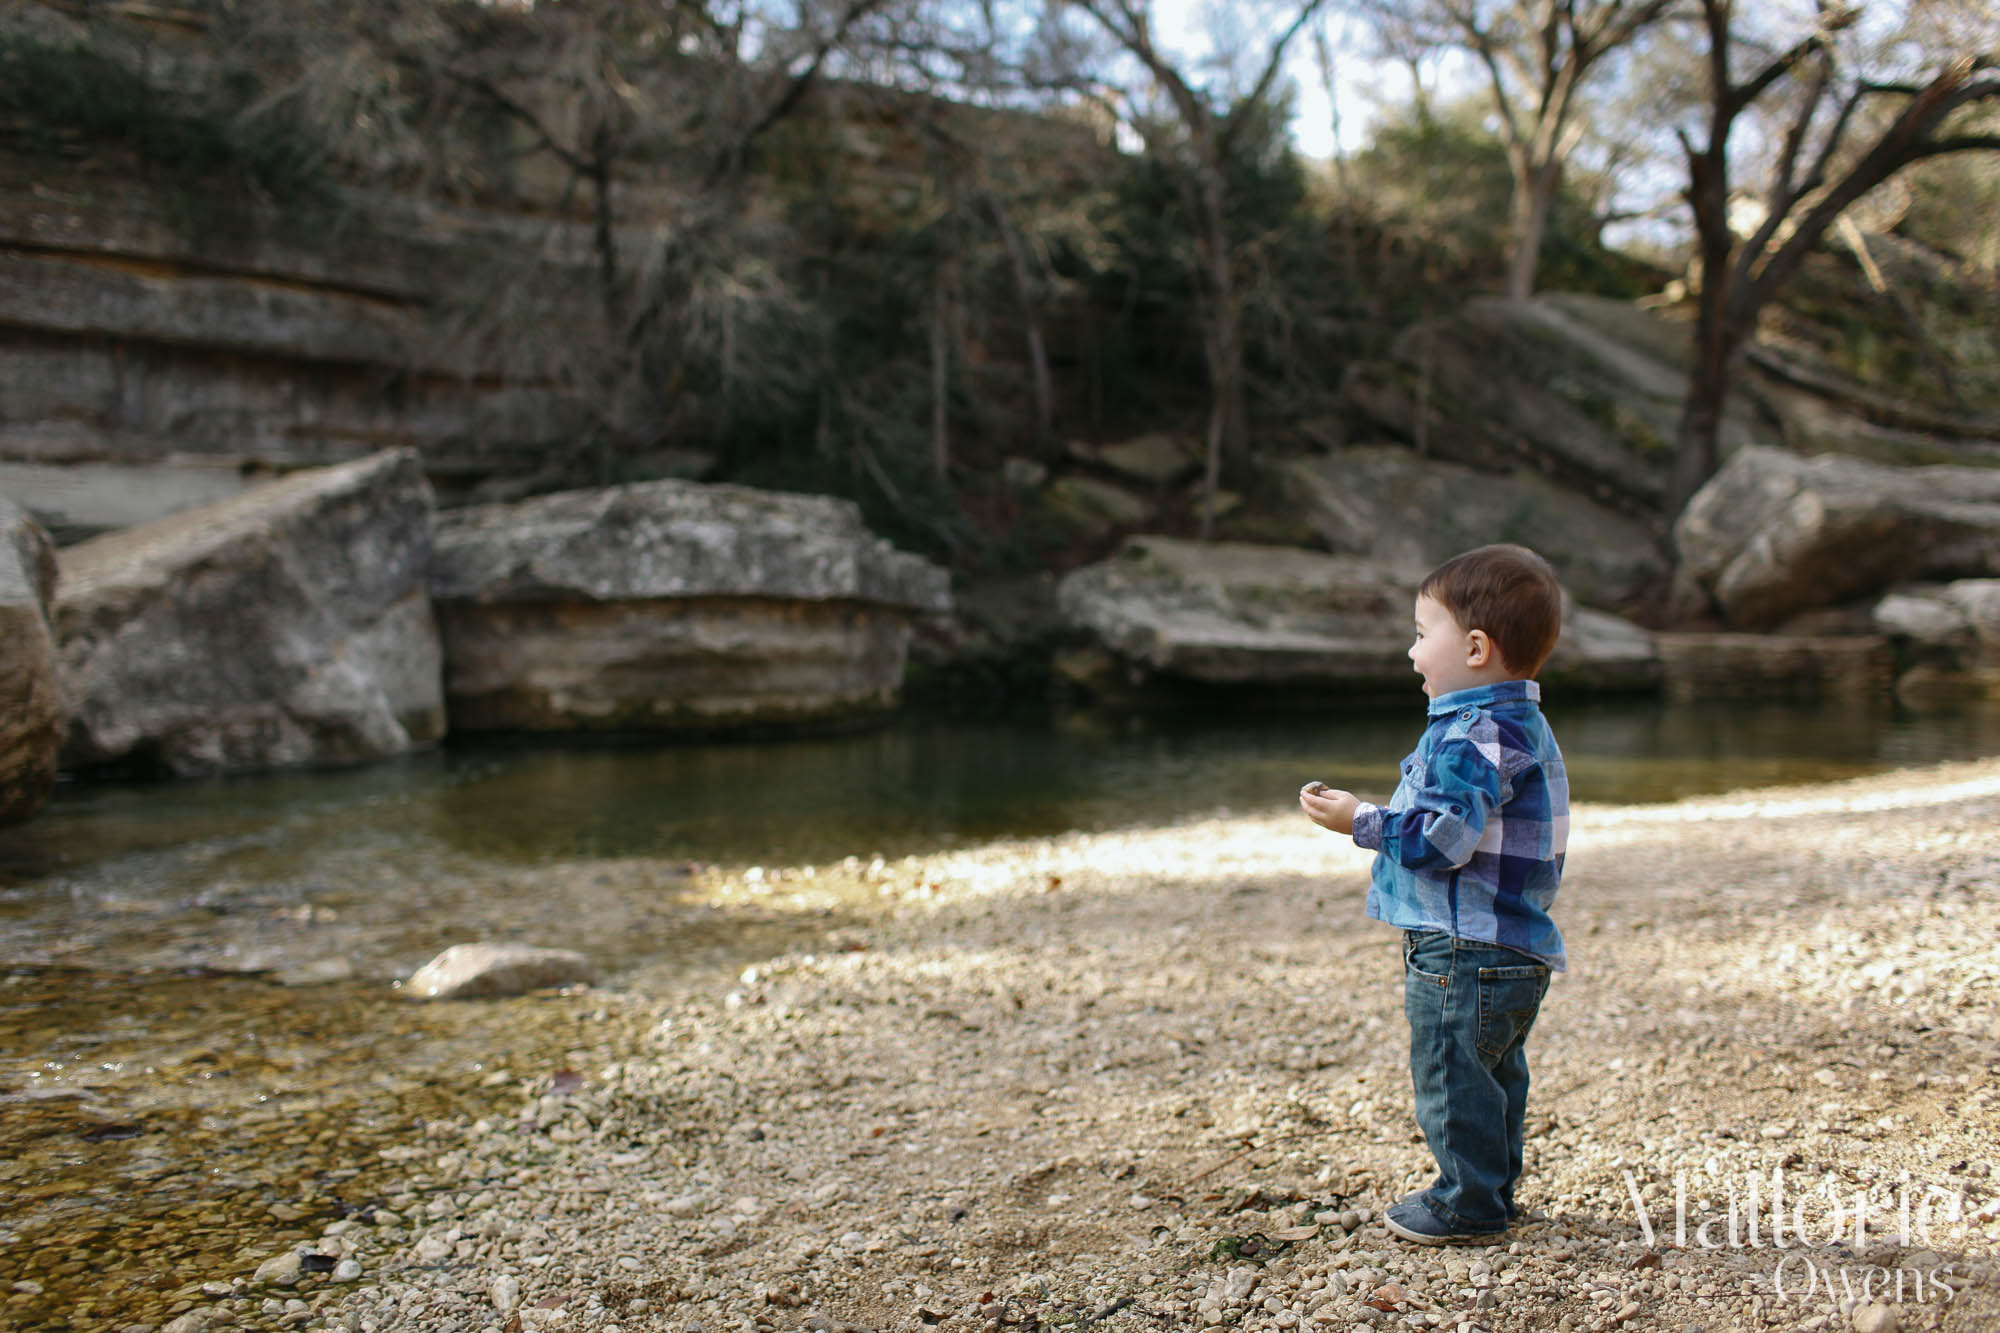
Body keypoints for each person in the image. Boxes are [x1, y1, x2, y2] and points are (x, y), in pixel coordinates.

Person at [1299, 543, 1570, 1245]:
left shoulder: (1473, 733)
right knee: (1494, 1072)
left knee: (1452, 1072)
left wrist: (1358, 819)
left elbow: (1440, 840)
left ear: (1475, 647)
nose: (1413, 651)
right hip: (1509, 942)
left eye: (1423, 634)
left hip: (1463, 946)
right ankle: (1493, 1188)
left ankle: (1467, 1202)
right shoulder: (1518, 723)